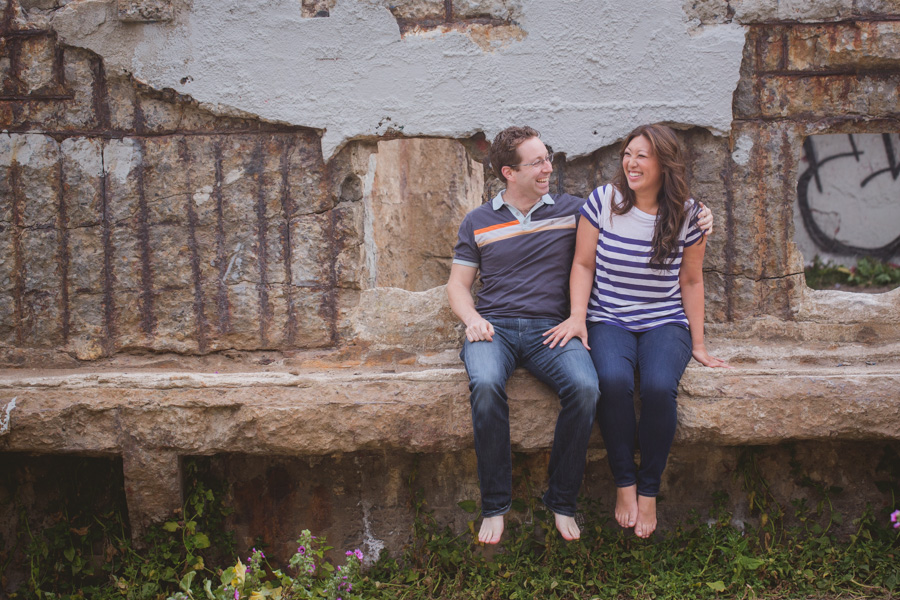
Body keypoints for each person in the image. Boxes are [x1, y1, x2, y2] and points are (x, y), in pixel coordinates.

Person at [447, 126, 714, 544]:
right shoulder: (478, 221)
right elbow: (457, 285)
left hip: (550, 329)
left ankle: (562, 501)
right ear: (507, 172)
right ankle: (495, 505)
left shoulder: (575, 209)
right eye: (537, 162)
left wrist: (701, 214)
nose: (548, 168)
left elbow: (646, 222)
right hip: (493, 327)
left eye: (547, 158)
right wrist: (471, 319)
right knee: (484, 383)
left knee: (588, 387)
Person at [543, 123, 730, 539]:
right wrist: (577, 316)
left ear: (665, 164)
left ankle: (649, 490)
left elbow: (692, 282)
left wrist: (698, 344)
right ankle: (624, 484)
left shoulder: (690, 215)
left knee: (661, 386)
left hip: (665, 320)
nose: (631, 162)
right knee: (612, 381)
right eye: (628, 154)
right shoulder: (604, 202)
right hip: (608, 317)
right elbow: (583, 264)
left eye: (642, 155)